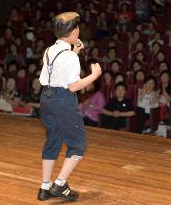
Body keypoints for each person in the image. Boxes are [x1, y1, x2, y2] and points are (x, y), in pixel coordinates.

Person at [38, 12, 102, 202]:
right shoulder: (70, 57)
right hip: (63, 100)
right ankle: (59, 184)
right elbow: (73, 86)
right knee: (78, 144)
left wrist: (74, 51)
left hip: (46, 97)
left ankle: (45, 187)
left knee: (53, 141)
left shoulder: (50, 50)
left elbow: (58, 69)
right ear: (74, 31)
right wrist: (94, 76)